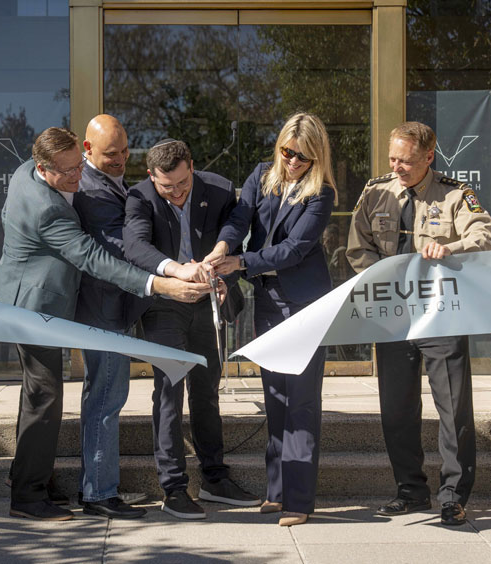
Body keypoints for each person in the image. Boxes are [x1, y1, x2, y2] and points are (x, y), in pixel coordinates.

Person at [0, 127, 209, 522]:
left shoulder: (25, 170)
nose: (80, 175)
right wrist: (161, 284)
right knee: (46, 397)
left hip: (29, 295)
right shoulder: (49, 208)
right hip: (35, 306)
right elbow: (95, 256)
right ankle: (31, 497)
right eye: (70, 170)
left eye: (80, 165)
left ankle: (26, 477)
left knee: (39, 395)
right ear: (43, 168)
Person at [346, 121, 491, 526]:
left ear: (429, 157)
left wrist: (449, 247)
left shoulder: (454, 193)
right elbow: (356, 248)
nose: (397, 167)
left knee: (453, 410)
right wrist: (383, 278)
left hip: (441, 314)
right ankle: (410, 491)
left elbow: (484, 235)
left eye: (407, 161)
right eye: (393, 158)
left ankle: (453, 496)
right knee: (396, 410)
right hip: (394, 317)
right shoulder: (376, 191)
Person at [204, 113, 338, 527]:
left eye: (304, 156)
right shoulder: (262, 175)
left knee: (301, 400)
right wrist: (222, 247)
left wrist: (239, 262)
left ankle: (299, 500)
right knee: (276, 398)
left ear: (317, 157)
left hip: (306, 304)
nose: (294, 161)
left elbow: (295, 249)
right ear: (278, 147)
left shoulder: (322, 192)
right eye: (288, 152)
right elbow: (240, 218)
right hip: (268, 301)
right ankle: (277, 492)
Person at [124, 138, 261, 521]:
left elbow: (236, 222)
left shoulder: (216, 187)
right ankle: (173, 488)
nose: (178, 193)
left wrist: (220, 252)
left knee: (206, 391)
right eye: (167, 187)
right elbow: (134, 246)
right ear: (152, 176)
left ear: (193, 167)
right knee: (169, 391)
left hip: (208, 303)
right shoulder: (140, 196)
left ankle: (214, 479)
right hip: (165, 305)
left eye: (183, 184)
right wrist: (176, 268)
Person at [71, 115, 147, 518]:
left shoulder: (111, 182)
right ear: (87, 150)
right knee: (106, 397)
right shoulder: (90, 190)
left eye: (124, 152)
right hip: (102, 308)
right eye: (110, 154)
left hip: (110, 305)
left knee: (102, 394)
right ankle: (100, 493)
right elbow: (122, 247)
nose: (119, 160)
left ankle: (95, 485)